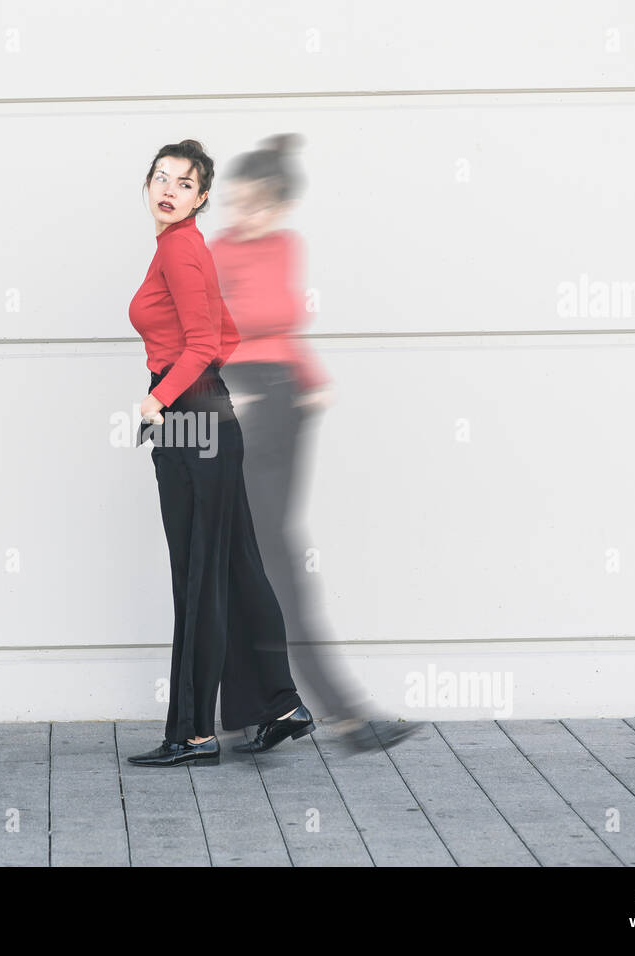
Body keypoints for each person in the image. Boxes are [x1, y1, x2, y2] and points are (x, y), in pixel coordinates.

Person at [212, 133, 422, 755]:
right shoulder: (215, 254)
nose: (240, 215)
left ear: (280, 208)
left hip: (287, 408)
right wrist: (224, 390)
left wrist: (311, 382)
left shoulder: (284, 247)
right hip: (243, 407)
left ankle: (261, 715)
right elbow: (195, 333)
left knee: (260, 561)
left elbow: (283, 326)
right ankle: (346, 716)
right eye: (235, 202)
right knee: (272, 565)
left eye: (255, 204)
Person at [125, 139, 315, 768]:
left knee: (200, 573)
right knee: (232, 563)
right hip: (209, 414)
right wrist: (202, 395)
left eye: (184, 183)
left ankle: (193, 733)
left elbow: (205, 341)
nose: (169, 189)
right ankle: (280, 705)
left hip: (189, 419)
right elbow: (226, 335)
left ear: (202, 198)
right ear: (148, 185)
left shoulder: (179, 249)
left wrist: (163, 400)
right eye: (161, 178)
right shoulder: (185, 249)